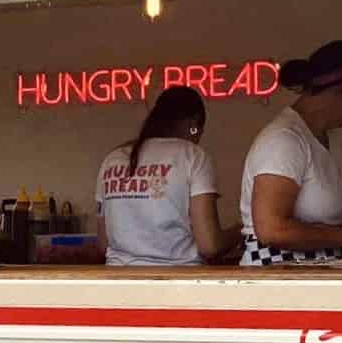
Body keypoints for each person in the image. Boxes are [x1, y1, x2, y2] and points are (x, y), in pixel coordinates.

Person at [240, 40, 342, 265]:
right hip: (278, 276)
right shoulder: (284, 141)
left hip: (314, 272)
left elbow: (328, 218)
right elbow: (271, 229)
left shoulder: (329, 138)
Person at [95, 87, 237, 266]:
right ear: (192, 124)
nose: (198, 137)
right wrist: (239, 232)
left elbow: (103, 244)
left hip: (119, 282)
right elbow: (210, 245)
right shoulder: (193, 156)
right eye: (198, 130)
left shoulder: (112, 159)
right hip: (178, 283)